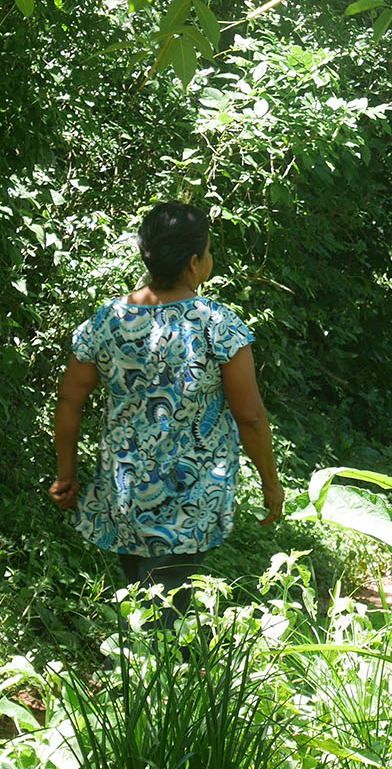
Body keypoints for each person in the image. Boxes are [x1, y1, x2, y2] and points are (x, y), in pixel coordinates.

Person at [50, 202, 285, 609]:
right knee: (165, 614)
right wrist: (270, 482)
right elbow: (249, 417)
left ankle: (131, 666)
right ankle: (134, 668)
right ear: (194, 263)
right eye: (208, 252)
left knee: (139, 598)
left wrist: (66, 473)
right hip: (190, 496)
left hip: (124, 490)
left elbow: (70, 399)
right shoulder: (218, 324)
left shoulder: (109, 319)